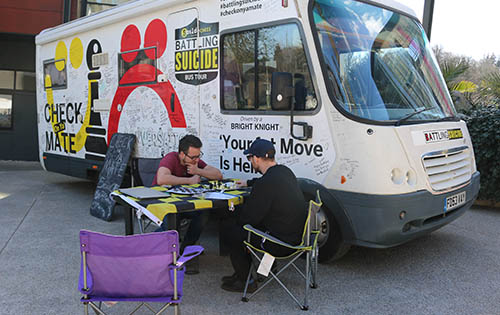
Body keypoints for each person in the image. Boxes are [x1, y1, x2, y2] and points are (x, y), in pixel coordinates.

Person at [220, 138, 307, 292]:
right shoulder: (284, 172)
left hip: (281, 244)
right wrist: (249, 183)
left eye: (250, 158)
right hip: (298, 236)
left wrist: (234, 215)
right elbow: (268, 183)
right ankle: (262, 270)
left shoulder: (265, 184)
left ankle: (246, 280)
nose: (250, 161)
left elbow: (249, 218)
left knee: (233, 232)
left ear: (257, 158)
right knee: (252, 225)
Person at [153, 134, 223, 274]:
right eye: (193, 157)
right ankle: (151, 247)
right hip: (164, 205)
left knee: (204, 212)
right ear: (181, 154)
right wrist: (188, 181)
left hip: (185, 204)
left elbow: (218, 175)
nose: (196, 159)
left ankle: (186, 250)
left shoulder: (194, 162)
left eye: (198, 156)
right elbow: (162, 179)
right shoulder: (171, 158)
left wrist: (198, 170)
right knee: (172, 223)